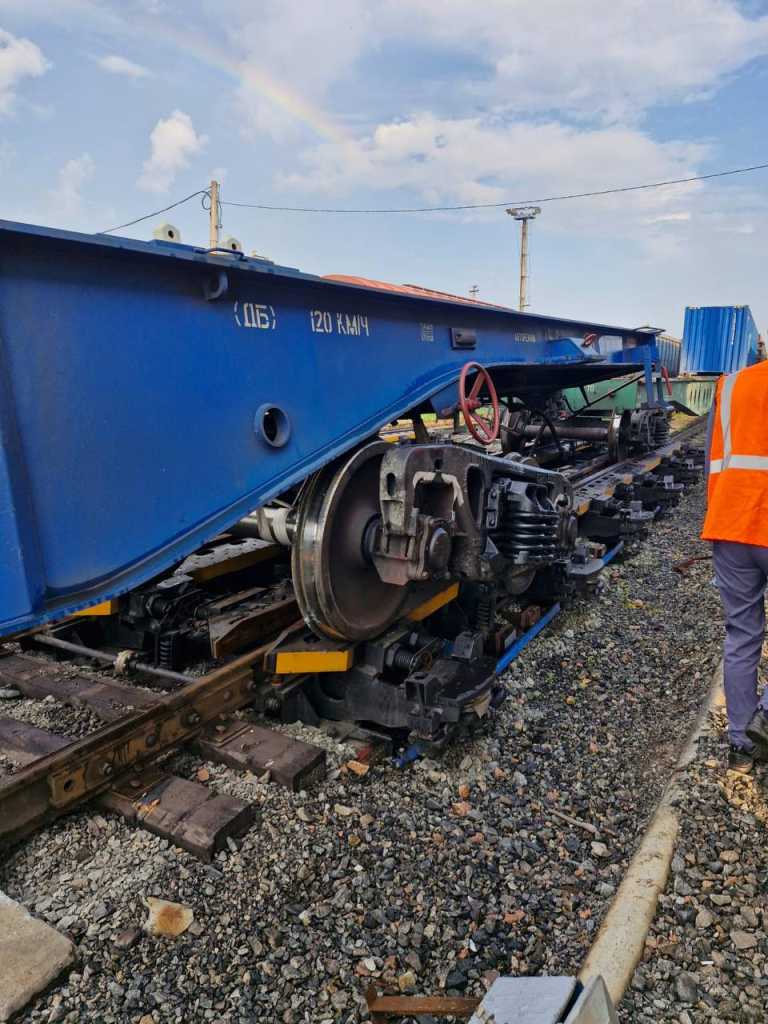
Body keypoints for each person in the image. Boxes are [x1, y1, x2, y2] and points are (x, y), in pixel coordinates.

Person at [701, 360, 768, 773]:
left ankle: (742, 741)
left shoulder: (730, 385)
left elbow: (712, 458)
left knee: (742, 633)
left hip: (731, 522)